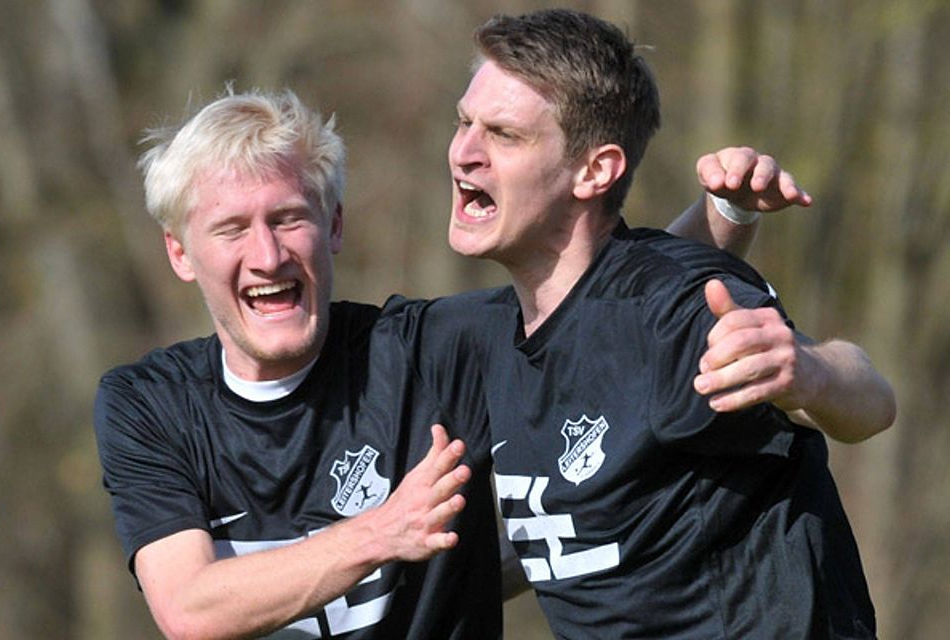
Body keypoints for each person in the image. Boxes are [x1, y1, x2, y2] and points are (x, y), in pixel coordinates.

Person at [93, 89, 801, 638]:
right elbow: (190, 609)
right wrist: (382, 532)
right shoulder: (148, 404)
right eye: (230, 229)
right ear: (180, 254)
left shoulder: (424, 355)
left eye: (288, 218)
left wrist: (722, 216)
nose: (269, 255)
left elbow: (602, 309)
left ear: (334, 225)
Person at [417, 8, 895, 638]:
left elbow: (872, 402)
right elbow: (560, 540)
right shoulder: (485, 337)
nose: (464, 153)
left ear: (595, 171)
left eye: (504, 134)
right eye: (464, 122)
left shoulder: (674, 308)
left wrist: (805, 373)